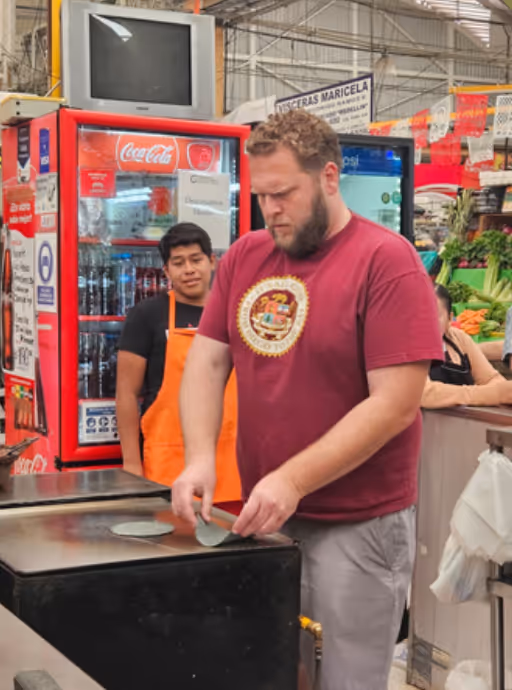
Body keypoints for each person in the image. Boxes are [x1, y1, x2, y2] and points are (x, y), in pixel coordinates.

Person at [172, 109, 443, 690]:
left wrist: (293, 479)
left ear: (327, 177)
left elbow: (394, 403)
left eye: (283, 194)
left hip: (357, 524)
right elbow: (208, 360)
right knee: (273, 671)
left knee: (345, 680)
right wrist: (198, 457)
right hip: (266, 519)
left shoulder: (385, 261)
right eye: (261, 196)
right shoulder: (246, 256)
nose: (271, 210)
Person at [116, 222, 241, 507]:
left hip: (233, 460)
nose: (189, 269)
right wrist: (132, 465)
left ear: (212, 261)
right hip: (170, 460)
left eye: (196, 260)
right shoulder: (147, 316)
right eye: (178, 262)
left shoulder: (234, 313)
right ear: (166, 271)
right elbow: (126, 394)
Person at [422, 285, 512, 408]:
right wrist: (494, 394)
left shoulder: (459, 339)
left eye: (433, 316)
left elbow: (490, 379)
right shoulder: (401, 347)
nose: (423, 323)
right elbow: (424, 394)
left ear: (449, 319)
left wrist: (502, 392)